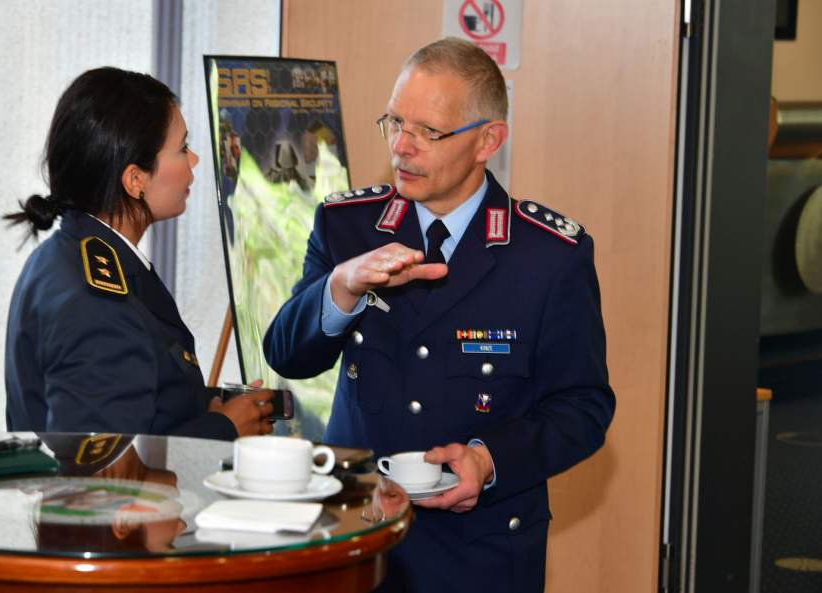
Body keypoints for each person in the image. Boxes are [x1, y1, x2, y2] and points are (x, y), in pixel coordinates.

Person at [263, 38, 615, 592]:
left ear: (488, 141)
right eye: (394, 122)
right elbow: (286, 354)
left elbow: (583, 407)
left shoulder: (548, 256)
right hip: (357, 539)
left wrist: (488, 459)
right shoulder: (348, 224)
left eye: (428, 131)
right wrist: (342, 285)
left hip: (480, 555)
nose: (402, 146)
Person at [4, 67, 273, 441]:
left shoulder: (64, 254)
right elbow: (106, 477)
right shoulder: (96, 302)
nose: (194, 160)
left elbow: (137, 413)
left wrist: (205, 409)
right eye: (182, 148)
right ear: (135, 180)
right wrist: (223, 428)